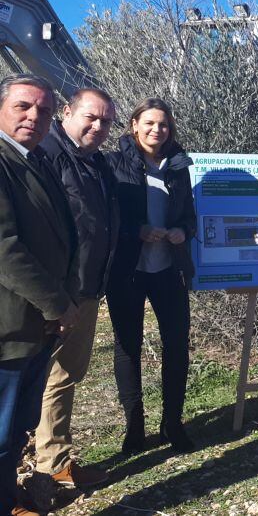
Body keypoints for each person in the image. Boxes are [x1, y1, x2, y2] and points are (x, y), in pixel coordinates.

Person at [0, 74, 79, 515]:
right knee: (1, 430)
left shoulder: (32, 159)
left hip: (34, 325)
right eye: (23, 106)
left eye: (44, 110)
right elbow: (5, 249)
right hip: (9, 324)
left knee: (16, 429)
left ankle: (10, 499)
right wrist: (59, 303)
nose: (34, 116)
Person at [34, 89, 118, 489]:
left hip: (85, 289)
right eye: (90, 117)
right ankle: (46, 466)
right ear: (66, 112)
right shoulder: (44, 156)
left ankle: (53, 460)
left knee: (65, 375)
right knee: (43, 377)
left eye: (105, 122)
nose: (98, 127)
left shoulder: (96, 163)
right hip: (50, 293)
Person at [107, 98, 196, 454]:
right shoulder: (113, 163)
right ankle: (135, 428)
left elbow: (189, 216)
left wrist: (181, 233)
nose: (157, 130)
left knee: (176, 346)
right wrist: (136, 230)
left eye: (163, 124)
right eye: (150, 123)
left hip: (168, 269)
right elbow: (108, 216)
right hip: (128, 270)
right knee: (128, 347)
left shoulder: (177, 167)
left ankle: (172, 424)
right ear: (133, 125)